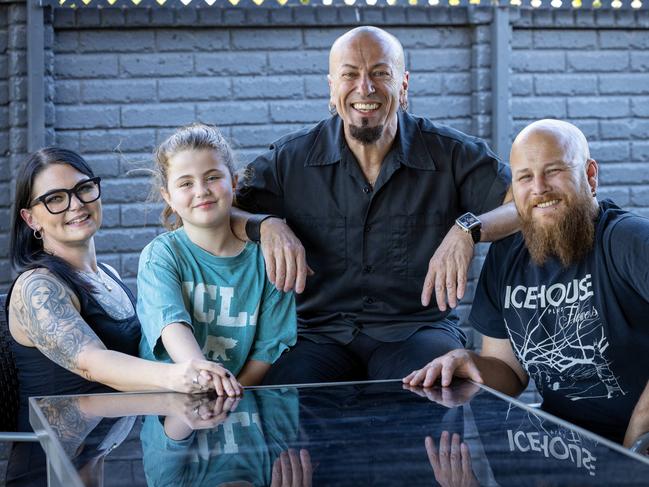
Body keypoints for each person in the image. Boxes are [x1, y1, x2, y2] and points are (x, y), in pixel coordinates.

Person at [232, 26, 518, 384]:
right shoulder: (290, 160)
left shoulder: (452, 153)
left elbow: (523, 205)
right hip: (316, 335)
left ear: (404, 85)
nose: (364, 88)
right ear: (332, 88)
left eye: (380, 73)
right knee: (287, 407)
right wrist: (264, 225)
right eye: (350, 74)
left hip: (417, 331)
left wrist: (469, 230)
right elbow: (218, 213)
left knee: (438, 388)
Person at [405, 119, 649, 445]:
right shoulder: (508, 256)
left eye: (554, 171)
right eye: (524, 177)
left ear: (590, 176)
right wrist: (469, 362)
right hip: (562, 447)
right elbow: (510, 372)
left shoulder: (626, 240)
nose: (539, 187)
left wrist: (640, 431)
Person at [6, 147, 229, 434]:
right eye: (55, 199)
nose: (76, 205)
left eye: (83, 189)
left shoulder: (108, 276)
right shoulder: (37, 287)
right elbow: (92, 363)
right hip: (51, 468)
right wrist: (179, 375)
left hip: (98, 456)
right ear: (31, 219)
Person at [137, 123, 297, 394]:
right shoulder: (161, 256)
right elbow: (171, 325)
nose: (201, 190)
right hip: (171, 404)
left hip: (236, 402)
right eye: (186, 183)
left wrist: (229, 393)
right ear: (168, 197)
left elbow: (267, 349)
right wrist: (204, 375)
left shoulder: (266, 259)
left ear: (234, 182)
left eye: (212, 177)